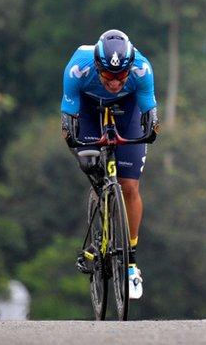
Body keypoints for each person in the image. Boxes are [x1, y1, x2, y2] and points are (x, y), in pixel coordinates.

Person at [61, 29, 159, 299]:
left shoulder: (141, 68)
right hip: (89, 108)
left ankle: (131, 263)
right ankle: (99, 203)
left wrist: (150, 130)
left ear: (129, 68)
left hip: (128, 108)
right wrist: (77, 146)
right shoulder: (78, 67)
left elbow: (150, 111)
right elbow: (68, 118)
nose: (115, 82)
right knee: (93, 166)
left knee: (129, 186)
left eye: (121, 76)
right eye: (108, 75)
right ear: (96, 67)